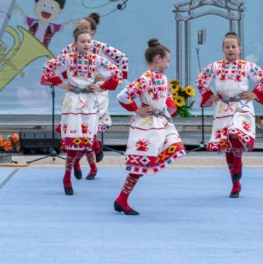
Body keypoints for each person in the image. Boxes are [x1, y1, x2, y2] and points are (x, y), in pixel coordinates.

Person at [41, 26, 121, 194]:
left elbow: (116, 72)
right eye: (82, 41)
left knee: (88, 139)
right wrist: (60, 83)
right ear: (75, 43)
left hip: (90, 100)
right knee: (73, 139)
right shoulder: (68, 58)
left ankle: (77, 164)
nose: (86, 44)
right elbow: (47, 67)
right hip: (73, 101)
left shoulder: (97, 60)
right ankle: (67, 176)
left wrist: (101, 87)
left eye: (88, 41)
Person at [196, 32, 263, 198]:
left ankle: (237, 168)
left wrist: (255, 94)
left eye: (233, 46)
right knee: (227, 145)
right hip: (223, 107)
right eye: (227, 47)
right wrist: (209, 95)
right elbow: (201, 80)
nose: (230, 49)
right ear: (223, 49)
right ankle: (235, 184)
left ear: (240, 49)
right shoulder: (215, 66)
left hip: (241, 105)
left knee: (235, 133)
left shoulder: (247, 66)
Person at [113, 39, 186, 215]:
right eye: (167, 60)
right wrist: (137, 109)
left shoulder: (163, 78)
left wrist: (170, 109)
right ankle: (121, 200)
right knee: (140, 165)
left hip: (161, 123)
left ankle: (121, 199)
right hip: (148, 125)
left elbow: (166, 99)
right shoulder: (145, 79)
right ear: (158, 59)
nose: (168, 64)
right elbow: (123, 96)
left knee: (175, 146)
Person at [59, 13, 128, 162]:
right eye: (79, 26)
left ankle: (90, 150)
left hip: (96, 89)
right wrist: (67, 80)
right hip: (77, 90)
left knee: (92, 120)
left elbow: (122, 59)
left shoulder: (100, 47)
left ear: (92, 31)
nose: (81, 29)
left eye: (85, 27)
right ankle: (88, 151)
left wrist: (108, 78)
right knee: (75, 121)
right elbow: (58, 65)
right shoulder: (70, 48)